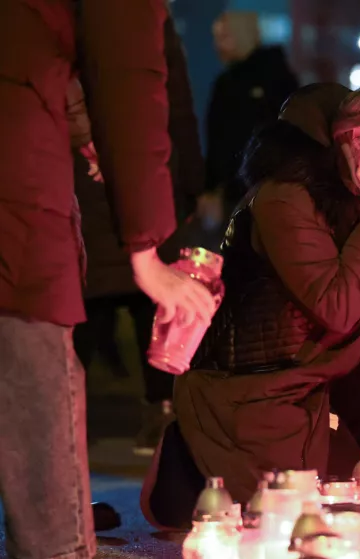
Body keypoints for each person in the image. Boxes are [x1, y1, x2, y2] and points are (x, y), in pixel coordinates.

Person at [142, 69, 360, 527]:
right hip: (269, 383)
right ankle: (187, 460)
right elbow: (336, 308)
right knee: (287, 513)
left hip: (337, 367)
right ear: (356, 137)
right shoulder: (287, 195)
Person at [0, 0, 216, 557]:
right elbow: (129, 82)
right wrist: (147, 253)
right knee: (35, 353)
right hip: (14, 164)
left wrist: (80, 126)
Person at [70, 8, 206, 456]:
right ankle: (161, 413)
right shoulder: (141, 22)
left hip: (81, 197)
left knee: (82, 321)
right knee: (154, 311)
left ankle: (68, 431)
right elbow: (172, 110)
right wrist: (187, 190)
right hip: (135, 195)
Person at [204, 10, 300, 216]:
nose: (217, 45)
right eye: (217, 38)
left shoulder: (271, 79)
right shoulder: (228, 82)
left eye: (225, 36)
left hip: (263, 188)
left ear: (242, 35)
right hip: (246, 191)